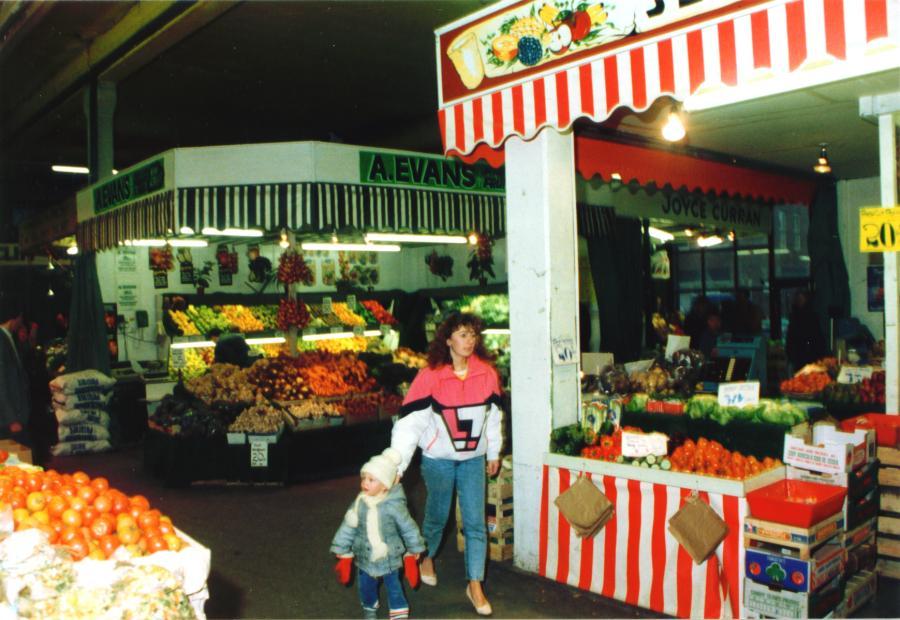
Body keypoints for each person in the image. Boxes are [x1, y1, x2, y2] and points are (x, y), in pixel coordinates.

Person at [391, 312, 503, 616]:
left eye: (473, 335)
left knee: (476, 522)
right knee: (437, 517)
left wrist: (493, 452)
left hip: (472, 460)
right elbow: (409, 425)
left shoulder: (487, 374)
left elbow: (493, 418)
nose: (469, 341)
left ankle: (475, 584)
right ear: (448, 339)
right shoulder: (429, 376)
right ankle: (426, 556)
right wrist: (396, 465)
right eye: (463, 334)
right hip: (437, 460)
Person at [330, 448, 426, 620]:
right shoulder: (359, 503)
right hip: (365, 556)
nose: (365, 483)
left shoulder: (393, 506)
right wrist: (341, 548)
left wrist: (415, 548)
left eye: (371, 480)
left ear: (384, 485)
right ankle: (369, 608)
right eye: (363, 478)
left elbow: (408, 526)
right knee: (366, 587)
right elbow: (348, 526)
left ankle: (398, 612)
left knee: (394, 587)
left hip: (389, 557)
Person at [0, 300, 30, 440]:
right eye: (21, 317)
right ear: (15, 317)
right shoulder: (2, 340)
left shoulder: (8, 338)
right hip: (9, 419)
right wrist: (11, 418)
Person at [786, 290, 828, 372]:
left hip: (812, 353)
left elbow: (818, 337)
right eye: (798, 299)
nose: (800, 301)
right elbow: (790, 338)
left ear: (806, 299)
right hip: (799, 354)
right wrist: (790, 355)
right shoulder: (794, 317)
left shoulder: (813, 316)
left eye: (801, 298)